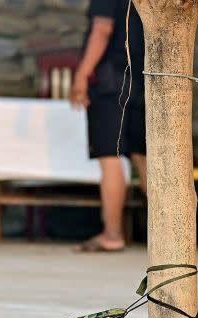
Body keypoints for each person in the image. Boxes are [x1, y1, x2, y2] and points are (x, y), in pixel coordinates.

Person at [69, 0, 148, 252]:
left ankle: (112, 234)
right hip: (143, 79)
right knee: (143, 157)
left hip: (110, 80)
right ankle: (173, 232)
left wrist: (82, 74)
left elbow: (102, 29)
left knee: (111, 155)